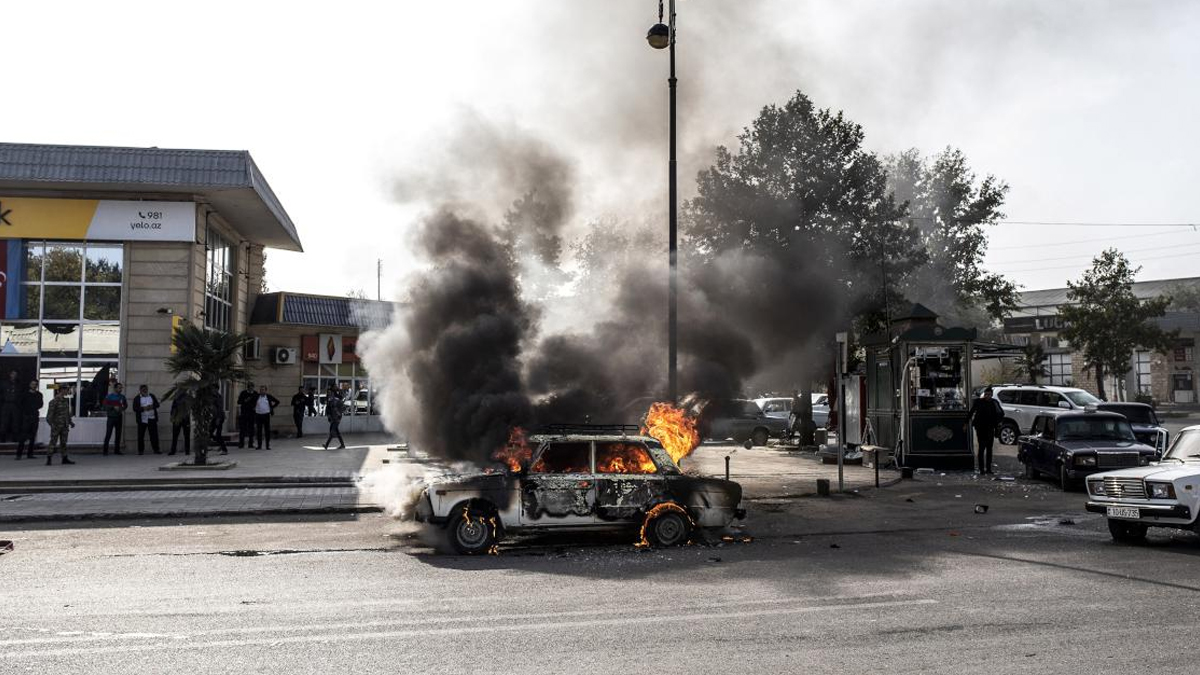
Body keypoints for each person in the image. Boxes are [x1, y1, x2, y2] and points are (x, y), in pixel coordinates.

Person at [968, 387, 1004, 475]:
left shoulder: (994, 403)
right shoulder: (979, 402)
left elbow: (1001, 413)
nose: (987, 396)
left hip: (990, 428)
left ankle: (988, 468)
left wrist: (998, 423)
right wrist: (966, 422)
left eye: (989, 395)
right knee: (981, 448)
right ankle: (981, 469)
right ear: (984, 394)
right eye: (986, 394)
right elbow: (972, 412)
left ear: (991, 395)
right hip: (981, 428)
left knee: (989, 449)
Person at [45, 386, 75, 465]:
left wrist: (70, 422)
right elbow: (49, 416)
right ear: (61, 390)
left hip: (64, 425)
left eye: (67, 390)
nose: (67, 391)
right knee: (53, 442)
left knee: (64, 443)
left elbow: (67, 414)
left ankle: (64, 458)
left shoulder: (65, 401)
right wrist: (52, 424)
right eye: (65, 390)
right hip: (56, 425)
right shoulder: (54, 401)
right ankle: (49, 458)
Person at [15, 379, 43, 460]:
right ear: (30, 385)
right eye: (32, 384)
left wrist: (34, 407)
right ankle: (19, 454)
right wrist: (25, 411)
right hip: (26, 417)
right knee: (23, 436)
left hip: (34, 416)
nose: (34, 386)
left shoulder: (39, 394)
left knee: (32, 436)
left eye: (35, 384)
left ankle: (30, 454)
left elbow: (40, 404)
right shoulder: (25, 394)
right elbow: (19, 404)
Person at [132, 384, 162, 455]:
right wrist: (143, 408)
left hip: (152, 418)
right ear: (140, 390)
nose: (144, 391)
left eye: (146, 389)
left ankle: (156, 449)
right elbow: (135, 408)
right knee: (141, 436)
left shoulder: (152, 396)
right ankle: (140, 450)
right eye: (143, 390)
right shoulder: (137, 398)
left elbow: (157, 404)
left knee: (154, 435)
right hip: (142, 419)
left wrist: (152, 407)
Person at [102, 382, 128, 455]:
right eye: (119, 388)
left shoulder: (122, 397)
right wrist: (113, 407)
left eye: (121, 388)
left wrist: (121, 408)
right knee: (108, 434)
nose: (120, 389)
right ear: (115, 388)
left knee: (118, 434)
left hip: (119, 417)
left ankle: (117, 450)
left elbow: (125, 406)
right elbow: (104, 406)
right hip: (111, 417)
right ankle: (105, 451)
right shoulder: (109, 396)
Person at [253, 385, 280, 449]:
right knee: (259, 431)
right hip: (258, 415)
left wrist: (272, 408)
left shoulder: (268, 396)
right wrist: (253, 408)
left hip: (266, 415)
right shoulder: (257, 396)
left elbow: (277, 401)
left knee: (267, 430)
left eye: (263, 390)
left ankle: (267, 445)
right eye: (261, 390)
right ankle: (259, 445)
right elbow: (252, 403)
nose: (261, 391)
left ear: (265, 390)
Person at [169, 389, 192, 456]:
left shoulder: (188, 397)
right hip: (177, 418)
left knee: (187, 435)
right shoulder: (176, 397)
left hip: (185, 418)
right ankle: (173, 450)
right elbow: (173, 408)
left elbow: (189, 408)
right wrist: (172, 416)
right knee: (175, 435)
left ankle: (187, 451)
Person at [0, 369, 21, 442]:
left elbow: (21, 395)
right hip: (6, 404)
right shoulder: (4, 383)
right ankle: (2, 439)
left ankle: (15, 438)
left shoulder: (18, 384)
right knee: (4, 422)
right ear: (10, 374)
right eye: (13, 374)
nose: (14, 375)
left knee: (15, 422)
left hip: (15, 405)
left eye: (15, 374)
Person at [236, 383, 257, 448]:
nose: (251, 389)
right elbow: (239, 401)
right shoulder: (243, 393)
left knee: (251, 429)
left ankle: (250, 444)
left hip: (252, 413)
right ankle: (241, 443)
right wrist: (245, 400)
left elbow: (257, 402)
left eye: (252, 388)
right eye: (250, 388)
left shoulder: (255, 393)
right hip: (244, 413)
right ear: (248, 388)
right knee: (243, 429)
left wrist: (255, 407)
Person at [210, 391, 229, 455]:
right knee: (210, 433)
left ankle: (224, 449)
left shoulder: (218, 397)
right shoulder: (212, 396)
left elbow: (220, 408)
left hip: (219, 417)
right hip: (215, 417)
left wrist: (218, 418)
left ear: (215, 389)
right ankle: (221, 444)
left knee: (218, 434)